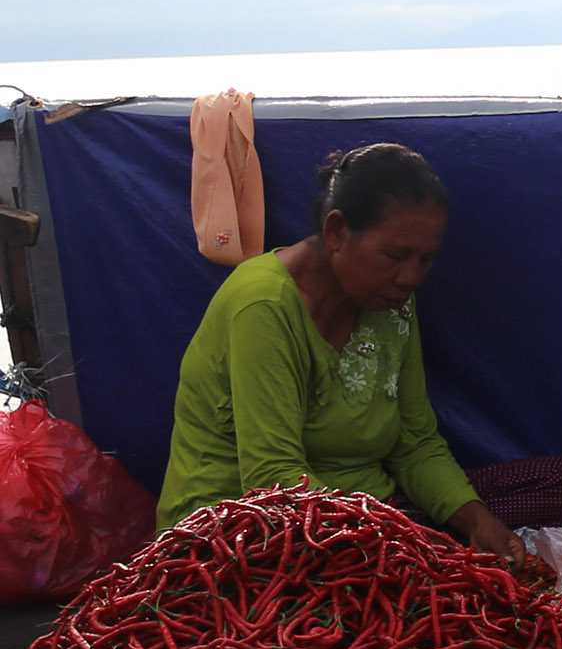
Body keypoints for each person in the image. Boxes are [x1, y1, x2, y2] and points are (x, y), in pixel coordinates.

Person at [157, 144, 525, 559]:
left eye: (426, 260)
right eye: (395, 256)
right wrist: (395, 545)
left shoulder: (392, 301)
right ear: (336, 232)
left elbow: (415, 443)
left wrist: (477, 521)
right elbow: (273, 478)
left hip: (367, 512)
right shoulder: (264, 306)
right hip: (249, 527)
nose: (411, 277)